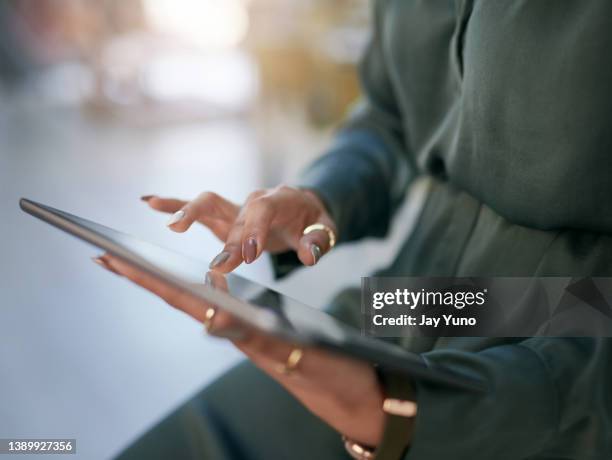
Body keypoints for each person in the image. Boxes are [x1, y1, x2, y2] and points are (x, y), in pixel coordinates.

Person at [101, 1, 612, 459]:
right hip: (405, 303)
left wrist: (402, 412)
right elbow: (390, 114)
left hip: (564, 352)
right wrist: (320, 199)